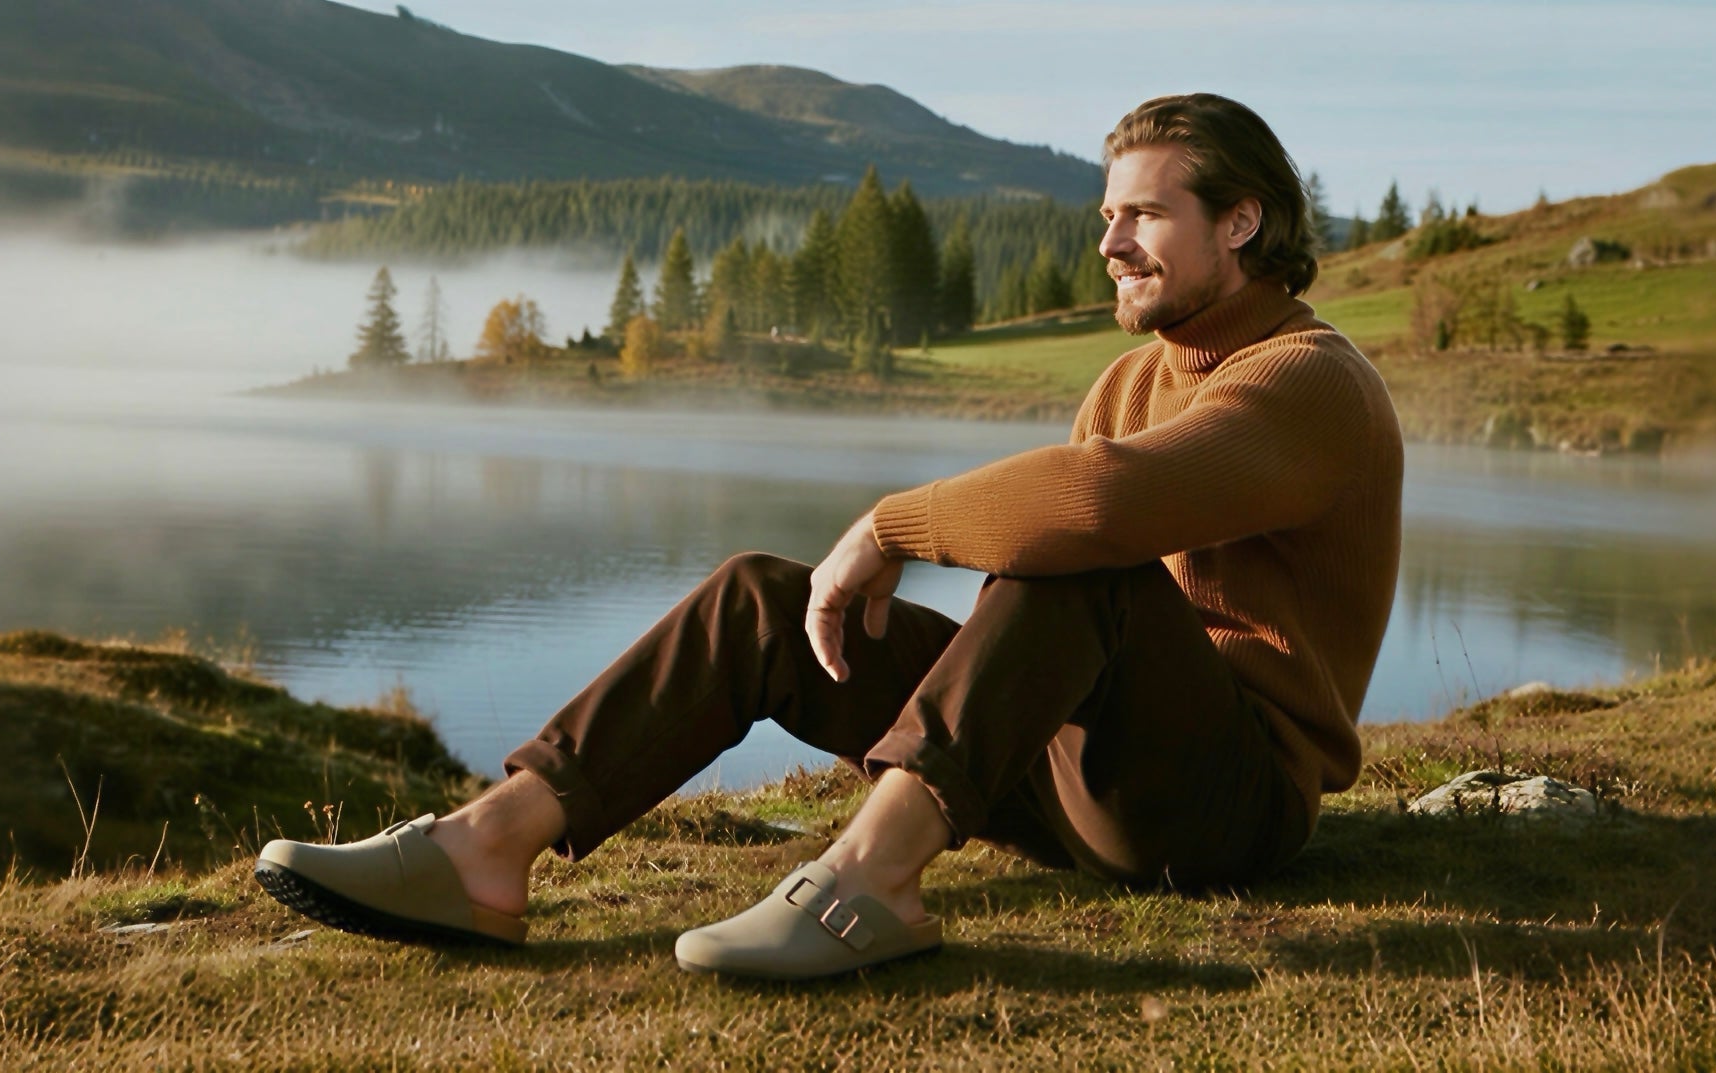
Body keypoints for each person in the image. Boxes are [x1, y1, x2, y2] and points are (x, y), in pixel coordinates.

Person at [254, 93, 1403, 981]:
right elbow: (1071, 524)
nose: (1110, 241)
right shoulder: (1127, 377)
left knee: (1085, 562)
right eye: (1106, 214)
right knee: (764, 596)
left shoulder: (1308, 382)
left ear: (1241, 221)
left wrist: (890, 525)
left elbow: (1098, 509)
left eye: (1143, 213)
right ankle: (485, 850)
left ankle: (872, 881)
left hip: (1227, 806)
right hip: (1078, 771)